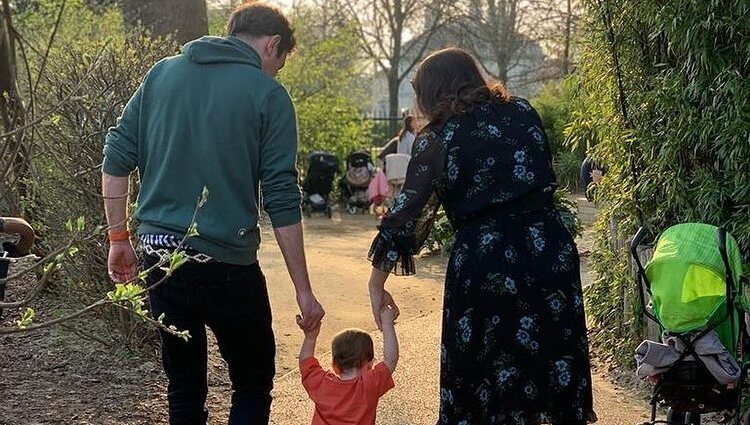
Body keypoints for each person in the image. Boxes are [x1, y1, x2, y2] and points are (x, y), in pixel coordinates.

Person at [101, 3, 325, 424]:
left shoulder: (161, 74)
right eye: (279, 63)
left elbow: (115, 158)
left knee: (183, 388)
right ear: (272, 44)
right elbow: (280, 194)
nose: (275, 73)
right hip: (226, 264)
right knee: (252, 382)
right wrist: (303, 289)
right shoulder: (268, 95)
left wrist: (118, 239)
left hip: (159, 257)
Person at [366, 47, 596, 424]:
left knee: (484, 381)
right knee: (548, 369)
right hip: (548, 251)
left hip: (485, 263)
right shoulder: (523, 112)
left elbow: (407, 215)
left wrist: (376, 285)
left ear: (432, 92)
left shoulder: (438, 138)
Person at [298, 304, 399, 425]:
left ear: (334, 366)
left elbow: (305, 362)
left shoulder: (321, 384)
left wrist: (310, 337)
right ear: (370, 365)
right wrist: (387, 324)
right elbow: (391, 359)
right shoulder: (368, 386)